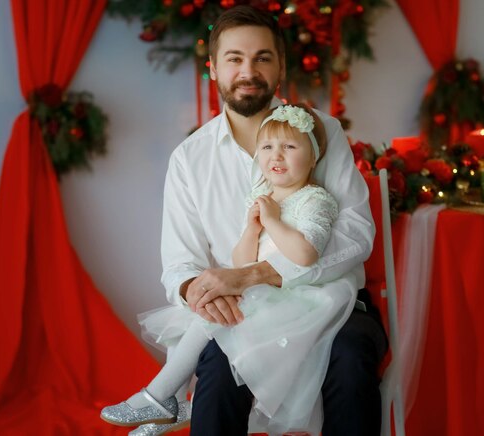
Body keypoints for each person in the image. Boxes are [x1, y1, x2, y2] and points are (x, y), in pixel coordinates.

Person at [118, 5, 385, 436]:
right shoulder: (190, 159)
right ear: (213, 69)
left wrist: (256, 274)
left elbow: (356, 236)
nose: (249, 70)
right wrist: (203, 292)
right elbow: (179, 265)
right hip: (243, 313)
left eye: (262, 57)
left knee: (353, 359)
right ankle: (164, 398)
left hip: (335, 304)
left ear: (280, 66)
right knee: (218, 374)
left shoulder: (323, 132)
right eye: (235, 59)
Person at [101, 104, 359, 434]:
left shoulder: (315, 199)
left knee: (212, 318)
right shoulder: (263, 196)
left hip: (299, 295)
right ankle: (167, 401)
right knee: (202, 309)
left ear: (313, 157)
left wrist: (271, 222)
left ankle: (161, 396)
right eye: (267, 147)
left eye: (290, 147)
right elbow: (241, 260)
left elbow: (305, 254)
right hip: (263, 289)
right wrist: (252, 229)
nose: (276, 156)